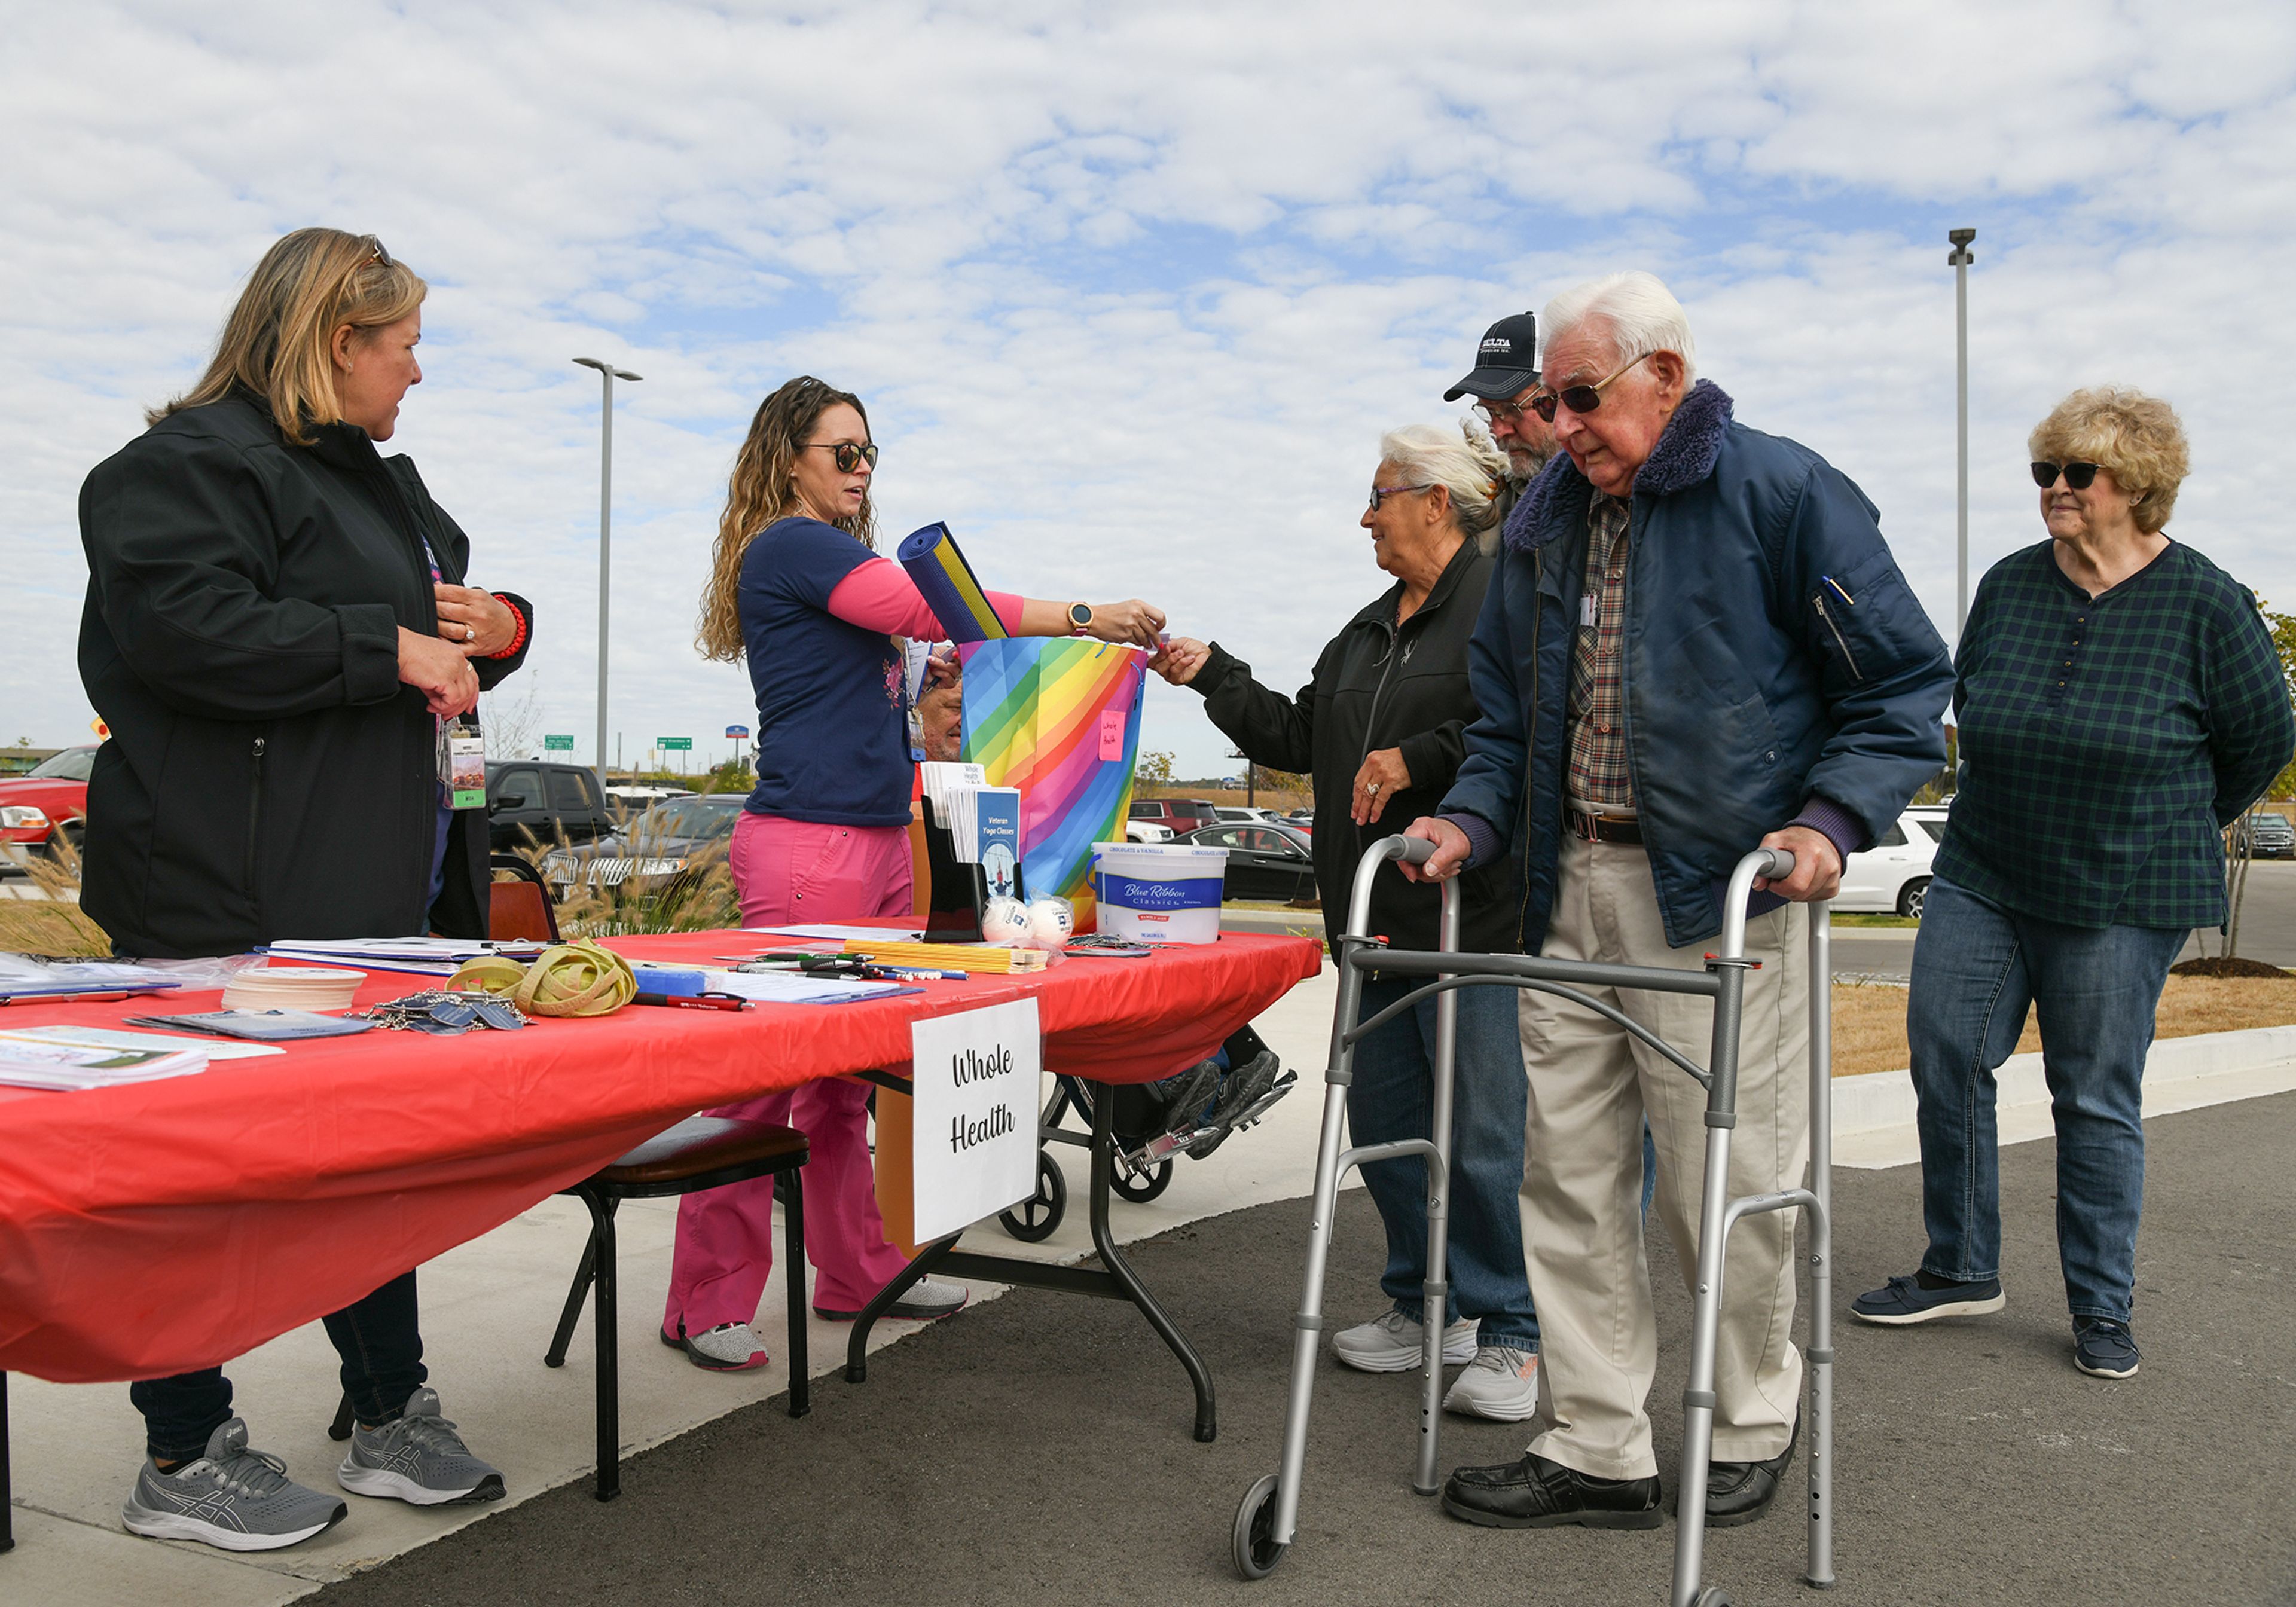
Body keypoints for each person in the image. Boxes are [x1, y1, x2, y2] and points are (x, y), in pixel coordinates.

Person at [1406, 271, 1952, 1530]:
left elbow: (1902, 684)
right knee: (1573, 1175)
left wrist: (1825, 823)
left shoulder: (1780, 490)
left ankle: (1749, 1418)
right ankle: (1599, 1443)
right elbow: (1508, 724)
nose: (1564, 421)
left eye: (1583, 396)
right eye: (1552, 399)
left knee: (1733, 1174)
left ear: (1667, 374)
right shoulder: (1543, 525)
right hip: (1566, 881)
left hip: (1720, 889)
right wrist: (1471, 818)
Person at [79, 227, 527, 1550]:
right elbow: (189, 633)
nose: (419, 373)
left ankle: (388, 1409)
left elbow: (449, 614)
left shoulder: (374, 484)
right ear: (338, 342)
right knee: (199, 1181)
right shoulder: (172, 472)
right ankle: (182, 1449)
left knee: (363, 1162)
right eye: (405, 346)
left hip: (365, 897)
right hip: (216, 893)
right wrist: (376, 643)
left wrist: (502, 628)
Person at [674, 375, 1166, 1370]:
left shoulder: (833, 559)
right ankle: (706, 1301)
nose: (859, 469)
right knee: (763, 1083)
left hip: (872, 835)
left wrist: (923, 690)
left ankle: (858, 1274)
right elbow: (939, 606)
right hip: (808, 848)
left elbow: (897, 662)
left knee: (845, 1087)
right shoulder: (794, 543)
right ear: (789, 458)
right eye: (841, 450)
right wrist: (1088, 615)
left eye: (869, 453)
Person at [1851, 388, 2294, 1380]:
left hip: (2124, 890)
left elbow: (2264, 737)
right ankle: (1960, 1263)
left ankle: (2102, 1306)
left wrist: (2163, 811)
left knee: (2092, 1096)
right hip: (1986, 869)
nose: (2055, 488)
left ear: (2137, 488)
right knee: (1944, 1054)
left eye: (2076, 474)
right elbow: (1974, 699)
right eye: (2045, 472)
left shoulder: (2205, 601)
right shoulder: (2010, 584)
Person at [1154, 420, 1544, 1420]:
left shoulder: (1504, 605)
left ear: (1437, 502)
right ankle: (1426, 1302)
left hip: (1472, 921)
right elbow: (1298, 733)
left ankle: (1511, 1331)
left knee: (1485, 1136)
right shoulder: (1367, 629)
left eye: (1379, 495)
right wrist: (1213, 673)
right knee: (1388, 1126)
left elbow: (1531, 725)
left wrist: (1421, 757)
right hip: (1371, 930)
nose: (1363, 514)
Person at [1443, 311, 1561, 524]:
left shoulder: (1613, 492)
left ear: (1558, 395)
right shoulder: (1488, 508)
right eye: (1488, 413)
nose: (1498, 431)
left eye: (1512, 409)